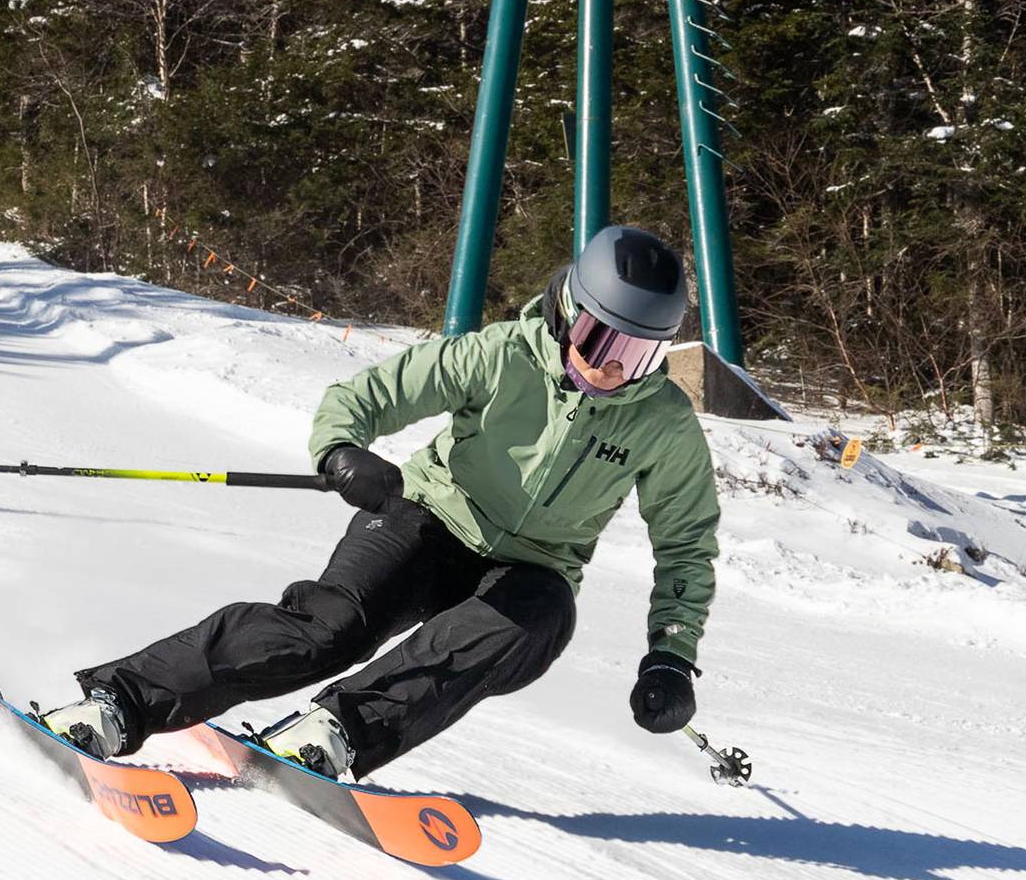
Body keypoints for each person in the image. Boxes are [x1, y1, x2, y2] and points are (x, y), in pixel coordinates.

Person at [39, 224, 721, 780]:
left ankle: (340, 731)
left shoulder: (662, 424)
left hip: (531, 570)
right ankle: (120, 701)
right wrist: (343, 451)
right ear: (567, 311)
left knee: (533, 618)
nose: (610, 369)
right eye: (602, 341)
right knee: (327, 630)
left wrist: (671, 653)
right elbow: (369, 396)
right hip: (428, 519)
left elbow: (685, 542)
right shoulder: (501, 355)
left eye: (636, 357)